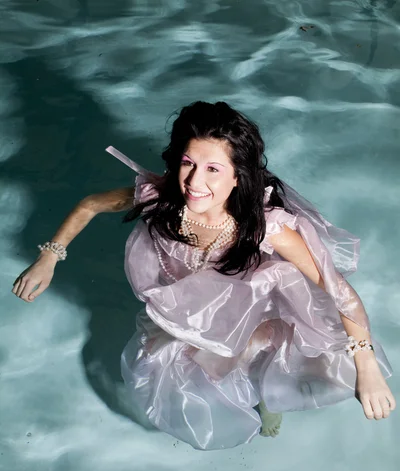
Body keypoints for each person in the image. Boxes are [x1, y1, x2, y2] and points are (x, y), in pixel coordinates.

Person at [12, 101, 396, 451]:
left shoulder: (268, 228)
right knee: (197, 363)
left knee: (248, 357)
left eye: (213, 169)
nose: (195, 183)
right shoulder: (158, 198)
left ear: (238, 178)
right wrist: (50, 257)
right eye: (188, 163)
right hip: (184, 306)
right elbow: (91, 204)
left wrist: (366, 366)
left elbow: (338, 290)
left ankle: (265, 400)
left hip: (247, 308)